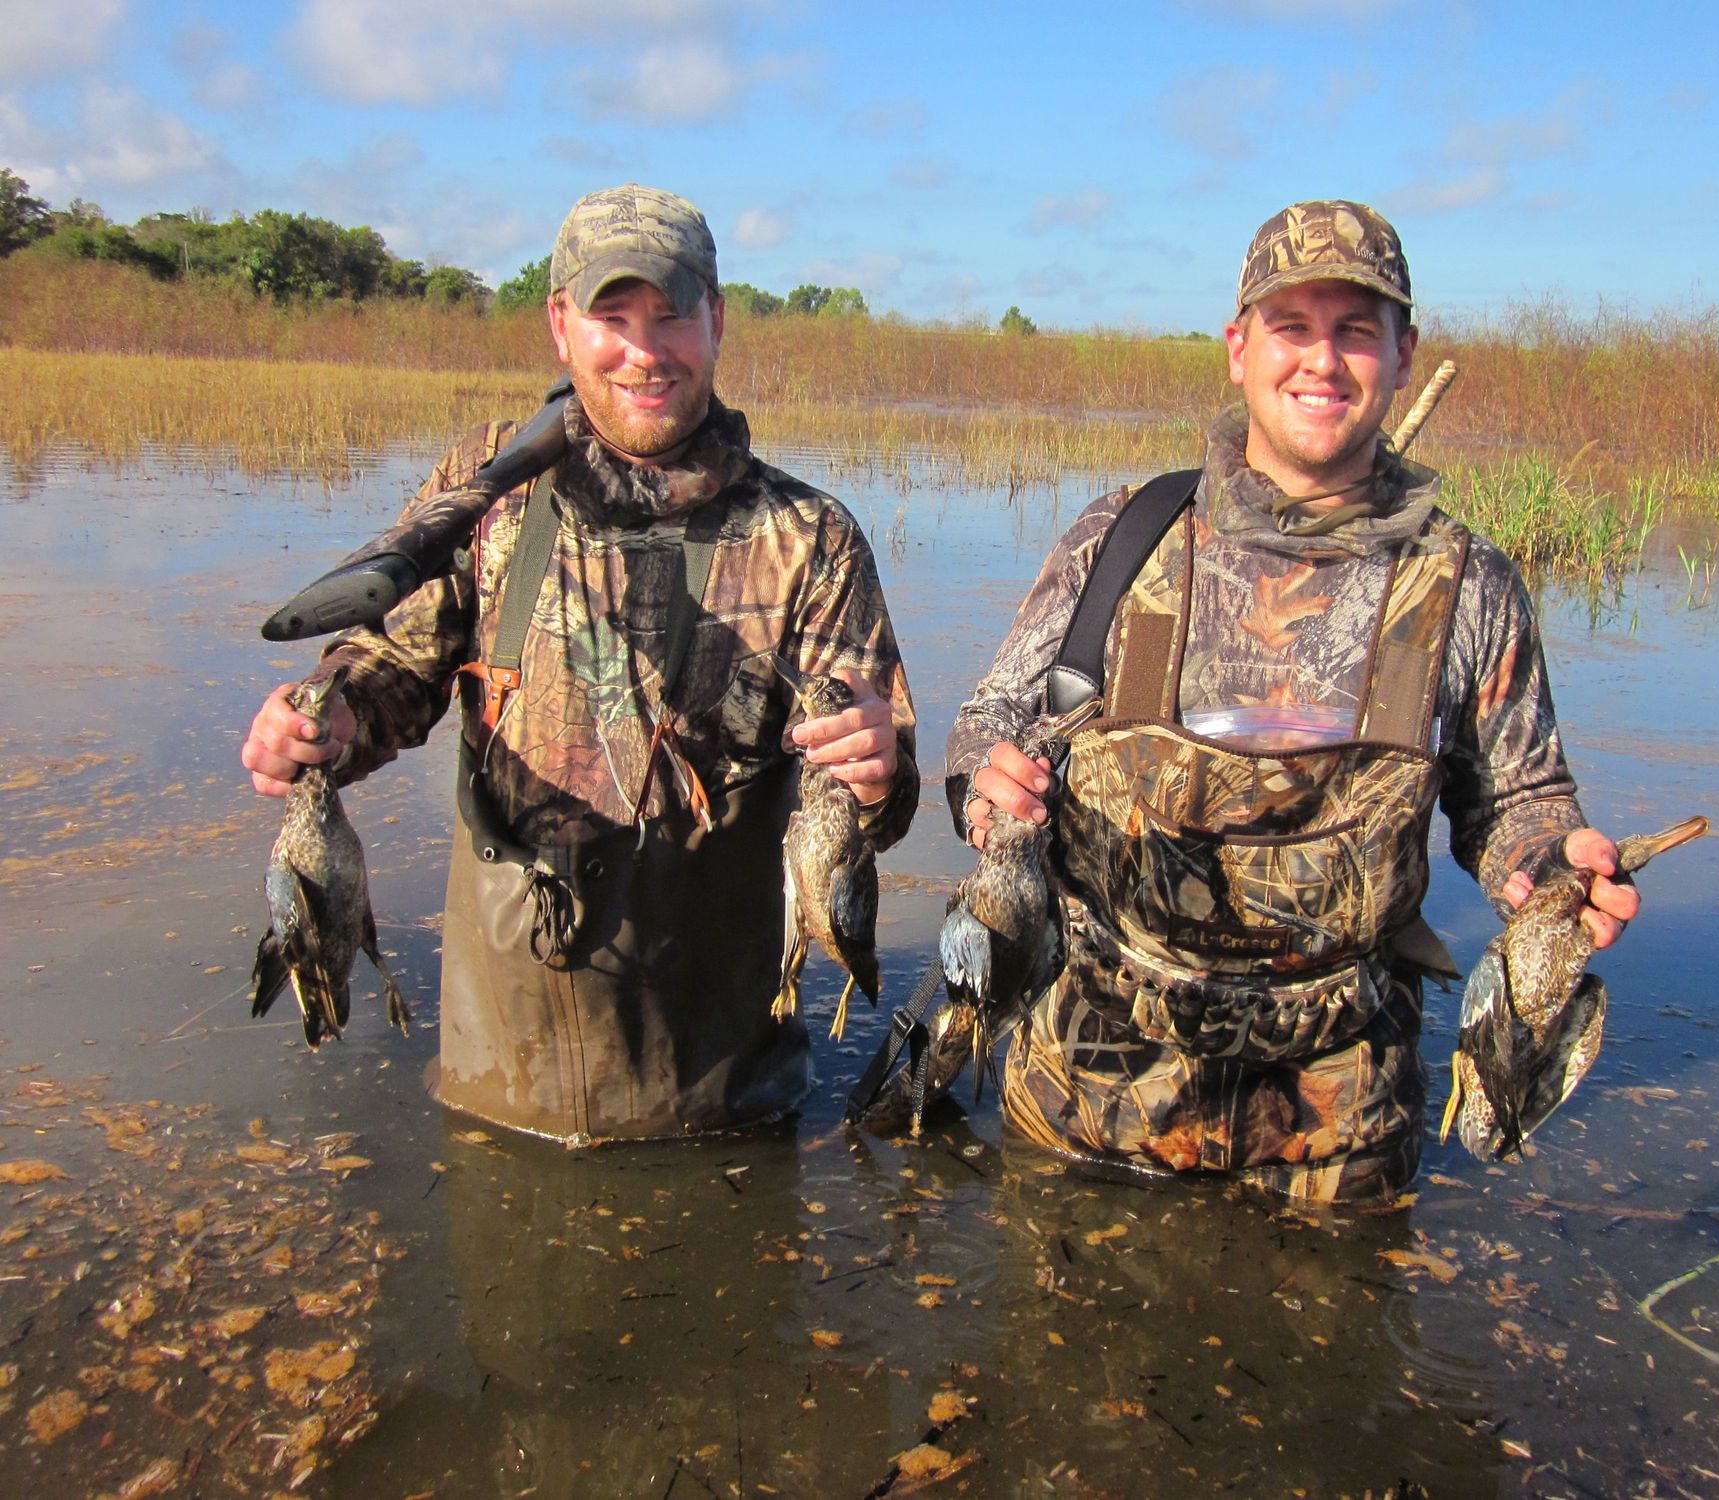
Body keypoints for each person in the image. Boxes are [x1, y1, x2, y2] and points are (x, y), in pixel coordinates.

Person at [944, 200, 1638, 1203]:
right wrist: (987, 793)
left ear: (1403, 355)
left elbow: (1515, 800)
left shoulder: (1464, 581)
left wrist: (1555, 866)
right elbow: (990, 727)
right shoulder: (1123, 537)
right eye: (1292, 328)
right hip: (1086, 1096)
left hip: (1340, 1123)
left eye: (1355, 330)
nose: (1322, 360)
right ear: (1237, 349)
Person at [241, 184, 918, 1143]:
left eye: (673, 315)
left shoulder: (810, 537)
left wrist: (876, 768)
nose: (645, 351)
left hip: (722, 1095)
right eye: (613, 317)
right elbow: (394, 658)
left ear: (717, 322)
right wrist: (329, 722)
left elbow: (884, 808)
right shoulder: (486, 489)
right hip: (497, 1080)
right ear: (561, 326)